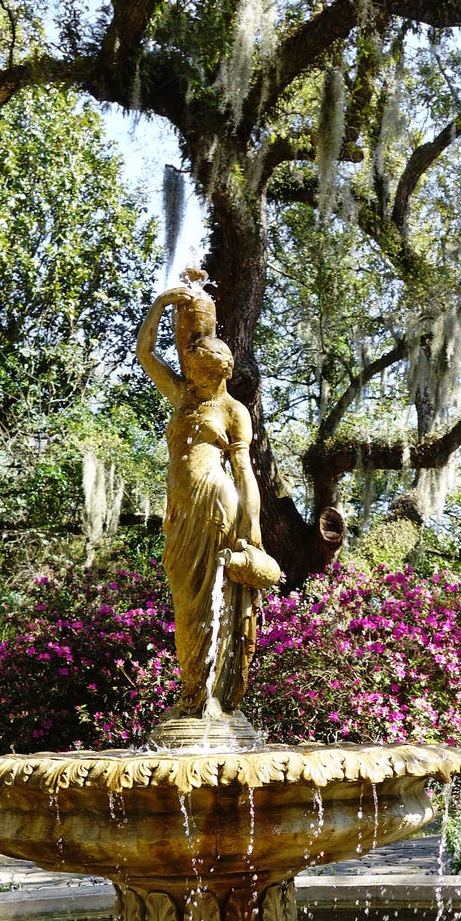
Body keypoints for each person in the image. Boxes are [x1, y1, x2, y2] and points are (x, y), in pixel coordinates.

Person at [136, 270, 280, 715]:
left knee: (211, 597)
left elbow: (244, 472)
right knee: (185, 597)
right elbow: (145, 354)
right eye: (189, 371)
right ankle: (193, 692)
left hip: (217, 503)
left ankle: (206, 697)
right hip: (181, 506)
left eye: (198, 372)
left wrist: (251, 529)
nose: (190, 376)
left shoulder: (234, 411)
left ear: (217, 374)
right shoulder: (183, 397)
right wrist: (161, 305)